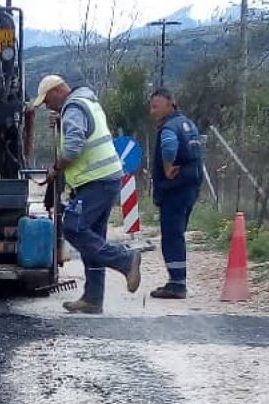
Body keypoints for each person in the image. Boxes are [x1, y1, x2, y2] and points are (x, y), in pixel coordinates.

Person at [31, 74, 141, 315]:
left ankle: (125, 260)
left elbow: (73, 147)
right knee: (93, 240)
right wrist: (60, 122)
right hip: (106, 179)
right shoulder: (86, 102)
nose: (47, 106)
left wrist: (56, 168)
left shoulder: (73, 107)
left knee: (74, 228)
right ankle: (93, 298)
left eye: (47, 100)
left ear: (58, 91)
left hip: (96, 181)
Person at [148, 88, 203, 299]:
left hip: (175, 189)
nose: (153, 111)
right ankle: (177, 280)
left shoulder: (169, 127)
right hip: (191, 185)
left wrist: (168, 166)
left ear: (171, 103)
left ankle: (177, 283)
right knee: (177, 232)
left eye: (156, 106)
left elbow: (169, 146)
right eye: (151, 107)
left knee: (172, 235)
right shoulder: (188, 124)